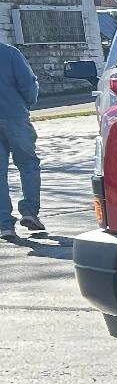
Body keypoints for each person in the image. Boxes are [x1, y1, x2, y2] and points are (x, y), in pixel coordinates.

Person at [1, 37, 45, 241]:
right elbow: (28, 84)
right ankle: (29, 211)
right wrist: (27, 103)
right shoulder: (10, 54)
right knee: (28, 164)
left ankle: (4, 224)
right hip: (15, 116)